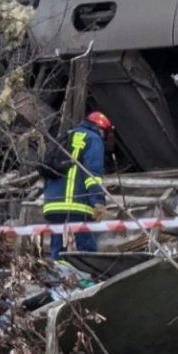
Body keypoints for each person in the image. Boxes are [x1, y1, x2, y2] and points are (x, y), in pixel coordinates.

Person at [43, 111, 111, 259]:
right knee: (86, 248)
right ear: (102, 130)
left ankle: (59, 279)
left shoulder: (65, 136)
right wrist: (98, 201)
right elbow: (93, 175)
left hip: (52, 206)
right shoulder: (93, 139)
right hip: (75, 205)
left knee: (58, 250)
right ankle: (87, 277)